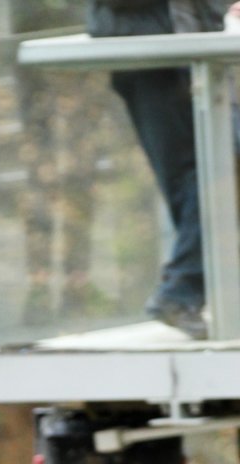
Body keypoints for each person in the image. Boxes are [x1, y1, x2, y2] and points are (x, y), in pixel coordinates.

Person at [87, 0, 232, 338]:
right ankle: (181, 293)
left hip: (199, 53)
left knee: (219, 168)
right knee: (202, 176)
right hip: (150, 57)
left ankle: (185, 292)